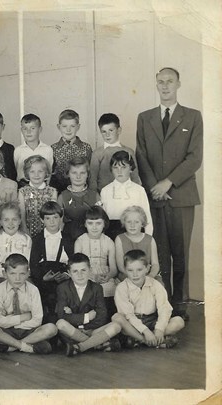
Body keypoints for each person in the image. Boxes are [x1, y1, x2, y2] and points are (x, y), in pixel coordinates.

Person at [135, 67, 203, 319]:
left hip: (181, 196)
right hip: (154, 197)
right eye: (160, 82)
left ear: (178, 84)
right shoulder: (145, 117)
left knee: (181, 253)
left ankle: (181, 305)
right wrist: (155, 186)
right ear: (156, 85)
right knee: (159, 253)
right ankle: (163, 303)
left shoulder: (193, 117)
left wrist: (168, 183)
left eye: (169, 82)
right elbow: (140, 155)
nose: (165, 86)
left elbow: (194, 158)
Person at [0, 254, 57, 354]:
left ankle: (12, 346)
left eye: (22, 274)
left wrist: (12, 322)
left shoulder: (33, 290)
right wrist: (23, 317)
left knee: (52, 328)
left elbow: (37, 320)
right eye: (12, 273)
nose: (17, 278)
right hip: (7, 331)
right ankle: (28, 346)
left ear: (28, 274)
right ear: (4, 274)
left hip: (29, 330)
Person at [112, 249, 185, 349]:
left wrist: (159, 329)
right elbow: (128, 315)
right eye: (130, 270)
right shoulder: (121, 288)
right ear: (125, 270)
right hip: (133, 322)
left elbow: (164, 308)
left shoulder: (155, 284)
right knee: (117, 318)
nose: (135, 274)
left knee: (179, 321)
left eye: (139, 270)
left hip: (152, 320)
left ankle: (142, 340)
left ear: (147, 268)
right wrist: (145, 331)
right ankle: (146, 340)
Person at [56, 253, 122, 357]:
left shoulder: (97, 288)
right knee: (61, 324)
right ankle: (98, 344)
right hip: (73, 331)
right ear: (69, 272)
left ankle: (81, 347)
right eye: (75, 271)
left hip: (92, 330)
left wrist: (86, 327)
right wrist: (86, 317)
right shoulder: (62, 288)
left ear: (90, 270)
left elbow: (102, 316)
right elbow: (62, 315)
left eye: (83, 270)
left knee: (116, 326)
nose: (80, 275)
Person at [29, 201, 74, 321]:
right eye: (48, 218)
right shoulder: (37, 240)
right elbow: (33, 264)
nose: (52, 221)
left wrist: (67, 275)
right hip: (43, 279)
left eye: (55, 217)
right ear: (42, 220)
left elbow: (73, 261)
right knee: (47, 299)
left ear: (61, 218)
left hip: (63, 278)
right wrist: (43, 278)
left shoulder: (68, 238)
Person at [74, 206, 118, 317]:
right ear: (85, 224)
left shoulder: (109, 242)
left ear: (104, 224)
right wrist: (92, 277)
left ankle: (107, 320)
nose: (94, 227)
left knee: (112, 289)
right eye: (90, 223)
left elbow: (113, 268)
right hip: (84, 275)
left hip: (105, 277)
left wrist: (108, 276)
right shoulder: (80, 241)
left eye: (98, 223)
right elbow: (76, 266)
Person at [101, 150, 152, 241]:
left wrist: (147, 240)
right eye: (115, 167)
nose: (119, 171)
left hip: (135, 235)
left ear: (131, 168)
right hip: (112, 235)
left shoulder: (139, 190)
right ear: (111, 169)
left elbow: (147, 219)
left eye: (123, 167)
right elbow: (103, 221)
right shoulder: (106, 191)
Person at [89, 113, 141, 192]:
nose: (107, 135)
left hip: (126, 194)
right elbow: (93, 180)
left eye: (111, 130)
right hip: (104, 195)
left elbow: (135, 177)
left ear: (119, 130)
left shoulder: (129, 151)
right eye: (104, 131)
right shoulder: (97, 154)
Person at [0, 202, 31, 286]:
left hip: (22, 277)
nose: (10, 223)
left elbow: (29, 262)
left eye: (14, 219)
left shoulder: (26, 239)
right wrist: (7, 275)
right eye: (6, 220)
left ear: (20, 221)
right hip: (2, 277)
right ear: (0, 222)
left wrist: (19, 275)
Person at [57, 157, 101, 242]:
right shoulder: (62, 196)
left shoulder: (95, 195)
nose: (78, 176)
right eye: (74, 173)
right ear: (68, 174)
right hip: (68, 237)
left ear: (88, 174)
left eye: (82, 173)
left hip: (90, 238)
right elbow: (59, 224)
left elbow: (100, 221)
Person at [50, 109, 92, 194]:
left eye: (72, 126)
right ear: (59, 127)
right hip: (59, 191)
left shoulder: (86, 148)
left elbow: (90, 173)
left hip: (81, 191)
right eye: (64, 126)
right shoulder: (53, 149)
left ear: (78, 127)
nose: (68, 130)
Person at [115, 206, 160, 281]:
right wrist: (133, 276)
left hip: (147, 274)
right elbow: (120, 266)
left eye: (136, 222)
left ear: (142, 223)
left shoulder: (150, 240)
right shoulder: (119, 239)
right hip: (127, 275)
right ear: (124, 223)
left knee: (158, 286)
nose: (132, 225)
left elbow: (155, 264)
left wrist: (150, 276)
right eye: (129, 222)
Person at [18, 155, 57, 239]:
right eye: (32, 171)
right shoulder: (22, 192)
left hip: (47, 232)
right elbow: (22, 213)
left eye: (40, 171)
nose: (36, 175)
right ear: (27, 173)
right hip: (28, 231)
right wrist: (24, 229)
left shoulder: (52, 191)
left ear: (46, 173)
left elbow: (53, 213)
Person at [13, 113, 54, 185]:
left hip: (42, 186)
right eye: (25, 128)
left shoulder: (48, 150)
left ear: (40, 129)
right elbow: (16, 171)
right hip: (23, 186)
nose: (28, 132)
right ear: (21, 130)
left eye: (32, 128)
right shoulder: (18, 150)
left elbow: (49, 172)